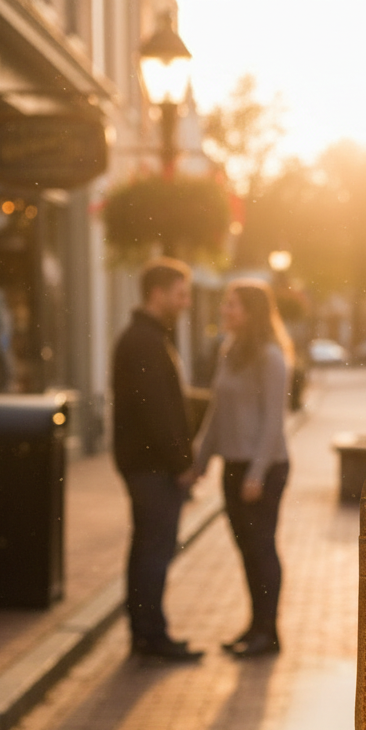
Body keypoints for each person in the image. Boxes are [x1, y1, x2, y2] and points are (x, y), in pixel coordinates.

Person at [189, 279, 293, 657]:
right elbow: (217, 413)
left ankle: (269, 632)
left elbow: (272, 421)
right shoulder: (230, 352)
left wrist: (256, 473)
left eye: (232, 305)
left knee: (262, 547)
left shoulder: (271, 356)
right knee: (246, 549)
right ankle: (255, 627)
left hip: (264, 468)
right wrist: (199, 460)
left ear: (251, 312)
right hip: (233, 465)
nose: (224, 310)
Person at [112, 258, 203, 661]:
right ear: (158, 293)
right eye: (180, 294)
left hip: (146, 462)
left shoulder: (146, 338)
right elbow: (157, 410)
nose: (185, 303)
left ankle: (146, 634)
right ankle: (150, 637)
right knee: (154, 550)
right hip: (151, 466)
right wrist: (182, 462)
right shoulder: (145, 341)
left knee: (148, 548)